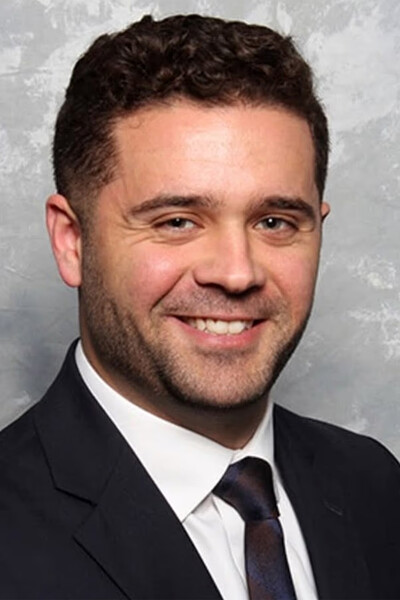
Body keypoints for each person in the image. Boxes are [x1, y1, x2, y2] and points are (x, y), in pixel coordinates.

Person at [0, 13, 399, 600]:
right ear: (72, 241)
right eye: (178, 221)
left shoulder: (375, 485)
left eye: (274, 221)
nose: (236, 273)